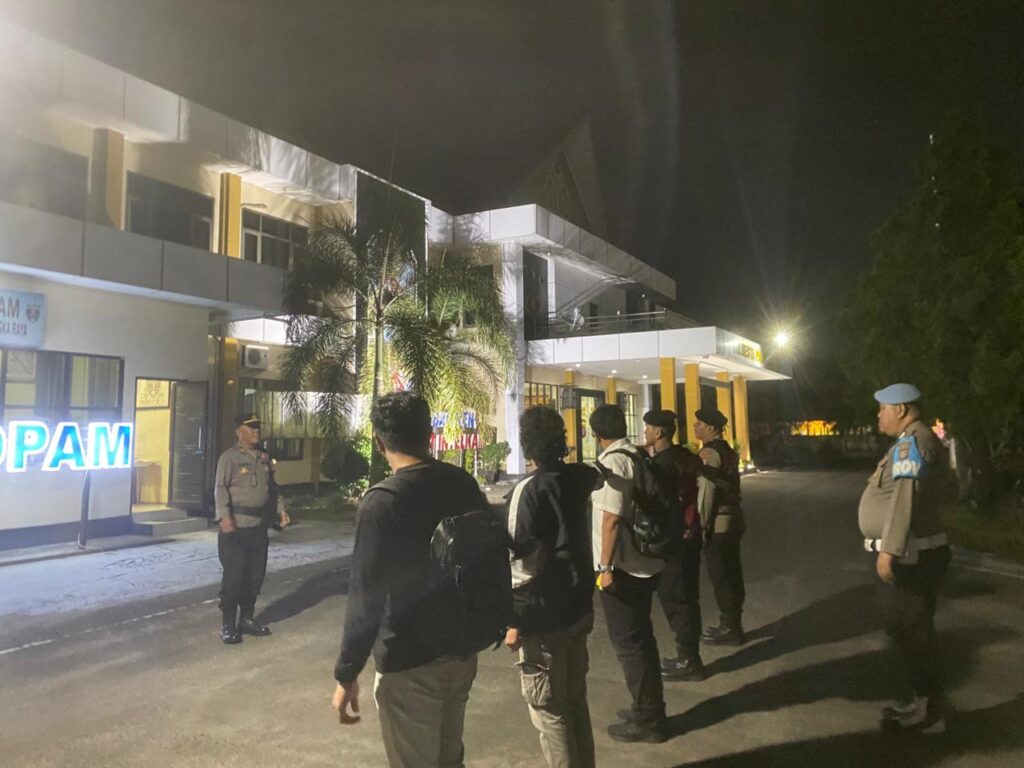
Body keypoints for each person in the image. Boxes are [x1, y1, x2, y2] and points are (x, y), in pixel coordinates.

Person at [332, 392, 490, 768]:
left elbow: (366, 597)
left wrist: (347, 673)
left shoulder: (381, 503)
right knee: (450, 759)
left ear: (379, 441)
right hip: (461, 650)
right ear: (428, 434)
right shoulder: (462, 484)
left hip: (409, 661)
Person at [505, 406, 600, 768]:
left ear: (527, 443)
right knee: (575, 702)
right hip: (579, 607)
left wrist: (514, 619)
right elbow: (598, 475)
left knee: (549, 711)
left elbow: (520, 565)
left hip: (543, 618)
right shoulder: (578, 478)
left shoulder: (528, 491)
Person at [858, 383, 951, 733]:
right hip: (912, 551)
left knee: (914, 633)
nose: (879, 415)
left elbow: (904, 498)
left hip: (912, 555)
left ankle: (930, 711)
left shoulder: (912, 442)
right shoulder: (912, 440)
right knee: (908, 631)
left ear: (900, 409)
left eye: (882, 408)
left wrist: (889, 550)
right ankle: (922, 701)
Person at [590, 404, 669, 743]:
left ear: (596, 433)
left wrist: (605, 568)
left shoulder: (614, 463)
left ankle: (649, 719)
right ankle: (648, 708)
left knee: (631, 645)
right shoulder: (635, 455)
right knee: (641, 640)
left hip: (624, 568)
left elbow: (611, 519)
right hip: (643, 563)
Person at [641, 409, 707, 682]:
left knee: (677, 600)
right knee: (687, 596)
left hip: (674, 540)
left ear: (658, 432)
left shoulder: (662, 465)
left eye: (648, 428)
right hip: (690, 537)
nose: (645, 432)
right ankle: (689, 656)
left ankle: (689, 661)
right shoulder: (685, 457)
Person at [214, 413, 290, 645]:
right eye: (251, 428)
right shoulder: (229, 458)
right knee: (234, 578)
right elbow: (220, 488)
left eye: (258, 427)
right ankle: (228, 625)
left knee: (255, 576)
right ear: (239, 432)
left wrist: (281, 510)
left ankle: (246, 619)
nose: (256, 431)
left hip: (258, 528)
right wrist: (224, 517)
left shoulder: (264, 457)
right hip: (236, 528)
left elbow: (272, 488)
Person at [694, 407, 747, 647]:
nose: (695, 427)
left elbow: (706, 492)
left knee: (721, 576)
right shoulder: (727, 450)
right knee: (733, 572)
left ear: (710, 428)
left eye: (699, 423)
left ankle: (730, 627)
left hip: (719, 522)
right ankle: (734, 623)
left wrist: (702, 524)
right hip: (734, 518)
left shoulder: (710, 453)